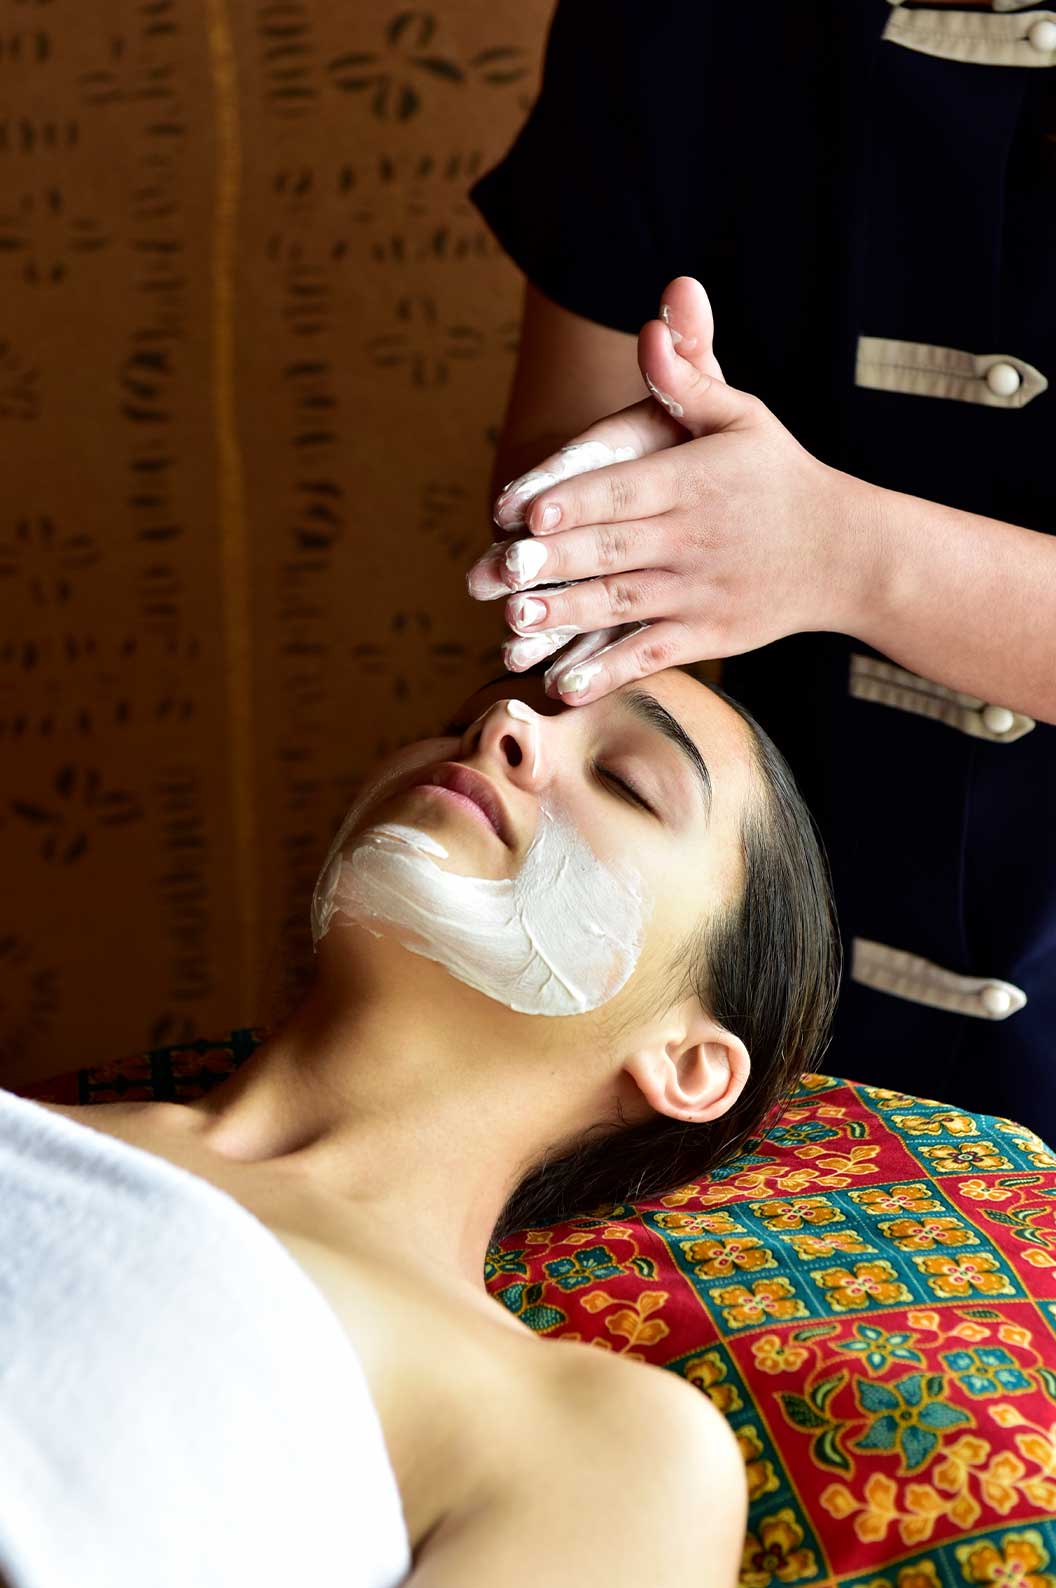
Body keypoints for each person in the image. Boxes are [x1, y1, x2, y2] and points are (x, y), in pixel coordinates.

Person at [4, 660, 838, 1587]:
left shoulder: (591, 1444)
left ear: (687, 1065)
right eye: (475, 712)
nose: (507, 726)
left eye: (627, 782)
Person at [466, 0, 1056, 1137]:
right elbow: (555, 548)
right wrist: (623, 518)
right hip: (765, 1015)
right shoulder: (664, 26)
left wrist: (843, 555)